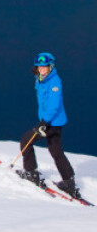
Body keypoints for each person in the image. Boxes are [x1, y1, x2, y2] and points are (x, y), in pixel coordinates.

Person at [17, 52, 81, 199]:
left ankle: (31, 172)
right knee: (55, 151)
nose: (41, 69)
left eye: (44, 66)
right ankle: (69, 181)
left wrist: (44, 123)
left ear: (50, 66)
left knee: (26, 140)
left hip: (51, 122)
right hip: (50, 122)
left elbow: (54, 105)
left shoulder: (54, 82)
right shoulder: (41, 79)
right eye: (39, 66)